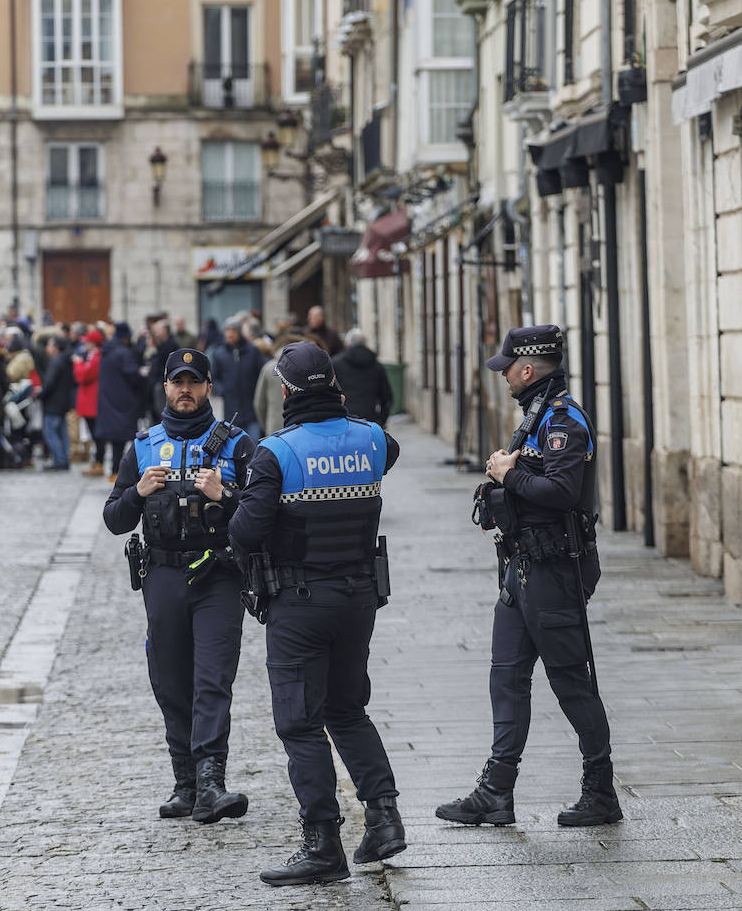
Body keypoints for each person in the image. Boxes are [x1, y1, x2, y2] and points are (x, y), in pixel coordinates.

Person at [229, 342, 405, 887]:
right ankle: (383, 816)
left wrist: (233, 495)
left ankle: (322, 843)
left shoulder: (276, 451)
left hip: (300, 602)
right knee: (348, 709)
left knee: (300, 722)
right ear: (335, 385)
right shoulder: (373, 439)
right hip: (359, 598)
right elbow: (389, 452)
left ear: (284, 391)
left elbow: (245, 531)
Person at [436, 325, 618, 829]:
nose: (504, 379)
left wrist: (506, 476)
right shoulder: (536, 416)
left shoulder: (563, 420)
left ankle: (600, 790)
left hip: (555, 570)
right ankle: (496, 791)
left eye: (507, 370)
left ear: (527, 370)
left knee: (569, 680)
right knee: (507, 676)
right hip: (523, 568)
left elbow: (561, 490)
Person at [103, 348, 256, 825]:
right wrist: (138, 492)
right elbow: (113, 519)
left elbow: (261, 517)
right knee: (171, 680)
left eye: (194, 381)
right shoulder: (143, 447)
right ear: (165, 388)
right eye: (177, 382)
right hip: (164, 575)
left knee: (212, 677)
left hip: (219, 576)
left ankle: (213, 782)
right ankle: (185, 783)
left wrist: (224, 496)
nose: (185, 390)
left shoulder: (238, 445)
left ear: (209, 387)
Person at [94, 322, 145, 483]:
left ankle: (113, 470)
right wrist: (142, 376)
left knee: (116, 437)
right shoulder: (123, 353)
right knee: (123, 437)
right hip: (124, 401)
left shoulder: (106, 351)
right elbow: (133, 377)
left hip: (108, 399)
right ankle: (117, 471)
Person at [209, 318, 264, 437]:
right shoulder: (219, 353)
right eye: (227, 330)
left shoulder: (253, 351)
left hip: (251, 411)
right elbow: (214, 378)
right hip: (231, 412)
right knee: (235, 446)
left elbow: (261, 374)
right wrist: (222, 391)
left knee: (253, 445)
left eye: (233, 330)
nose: (229, 334)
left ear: (239, 332)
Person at [331, 328, 393, 425]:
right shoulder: (376, 366)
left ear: (347, 344)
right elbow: (387, 397)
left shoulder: (335, 364)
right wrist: (381, 420)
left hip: (344, 419)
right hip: (369, 419)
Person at [40, 335, 75, 470]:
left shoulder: (56, 361)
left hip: (53, 402)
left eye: (49, 345)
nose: (47, 348)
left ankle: (59, 460)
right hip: (62, 402)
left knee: (50, 432)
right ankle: (64, 459)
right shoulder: (65, 360)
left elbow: (49, 383)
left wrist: (41, 394)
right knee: (62, 432)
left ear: (55, 347)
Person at [74, 329, 105, 476]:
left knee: (97, 434)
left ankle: (99, 462)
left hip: (91, 401)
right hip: (89, 400)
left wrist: (78, 364)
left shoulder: (96, 357)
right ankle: (97, 461)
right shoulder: (93, 356)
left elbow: (83, 376)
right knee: (94, 434)